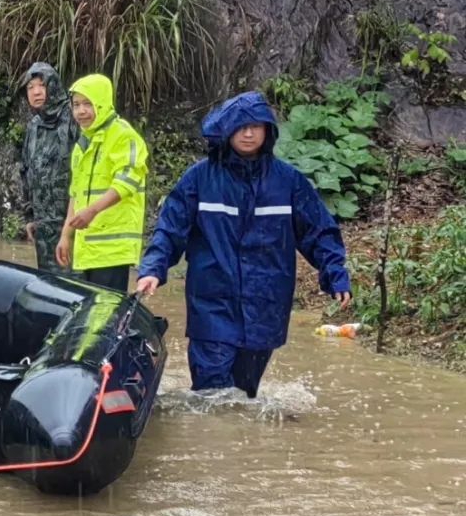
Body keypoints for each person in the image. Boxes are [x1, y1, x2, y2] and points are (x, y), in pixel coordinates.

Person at [135, 91, 352, 398]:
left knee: (244, 396)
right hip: (212, 302)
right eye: (241, 126)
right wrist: (153, 268)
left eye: (257, 126)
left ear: (268, 131)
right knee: (211, 396)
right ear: (227, 130)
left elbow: (319, 231)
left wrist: (335, 273)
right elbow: (170, 229)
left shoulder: (288, 182)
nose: (249, 133)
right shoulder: (199, 179)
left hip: (265, 304)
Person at [55, 74, 148, 293]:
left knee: (107, 316)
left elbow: (126, 183)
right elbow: (75, 194)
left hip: (113, 248)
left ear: (102, 103)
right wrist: (66, 235)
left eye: (88, 104)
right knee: (89, 316)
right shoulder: (82, 145)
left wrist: (92, 211)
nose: (81, 111)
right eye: (76, 105)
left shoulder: (123, 136)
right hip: (88, 248)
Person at [17, 62, 80, 273]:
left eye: (41, 85)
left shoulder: (74, 118)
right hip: (43, 228)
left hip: (74, 224)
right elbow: (26, 171)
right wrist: (29, 217)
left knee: (76, 289)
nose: (35, 92)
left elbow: (86, 172)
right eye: (30, 87)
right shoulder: (33, 126)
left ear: (52, 86)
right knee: (49, 290)